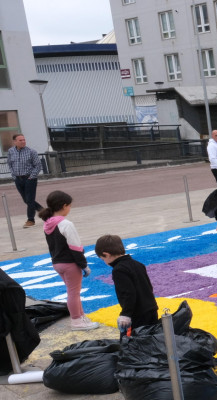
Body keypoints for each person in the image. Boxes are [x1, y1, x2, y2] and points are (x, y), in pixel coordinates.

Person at [39, 191, 98, 331]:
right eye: (70, 206)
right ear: (64, 206)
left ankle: (80, 316)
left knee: (73, 291)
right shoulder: (66, 224)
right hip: (69, 263)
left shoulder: (47, 223)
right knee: (74, 292)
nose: (70, 209)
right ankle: (77, 321)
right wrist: (84, 265)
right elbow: (75, 247)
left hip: (57, 262)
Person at [94, 234, 160, 333]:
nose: (105, 262)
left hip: (138, 313)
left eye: (103, 259)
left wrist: (126, 314)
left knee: (135, 342)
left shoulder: (119, 270)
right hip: (151, 308)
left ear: (106, 254)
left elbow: (128, 293)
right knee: (151, 337)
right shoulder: (138, 264)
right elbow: (148, 287)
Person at [7, 134, 44, 228]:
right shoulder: (11, 151)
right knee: (26, 200)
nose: (23, 141)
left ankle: (31, 220)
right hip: (18, 179)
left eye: (24, 140)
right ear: (15, 141)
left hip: (29, 179)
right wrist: (14, 175)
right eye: (20, 140)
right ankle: (44, 212)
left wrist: (31, 177)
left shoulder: (31, 151)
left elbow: (38, 166)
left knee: (30, 200)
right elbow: (10, 164)